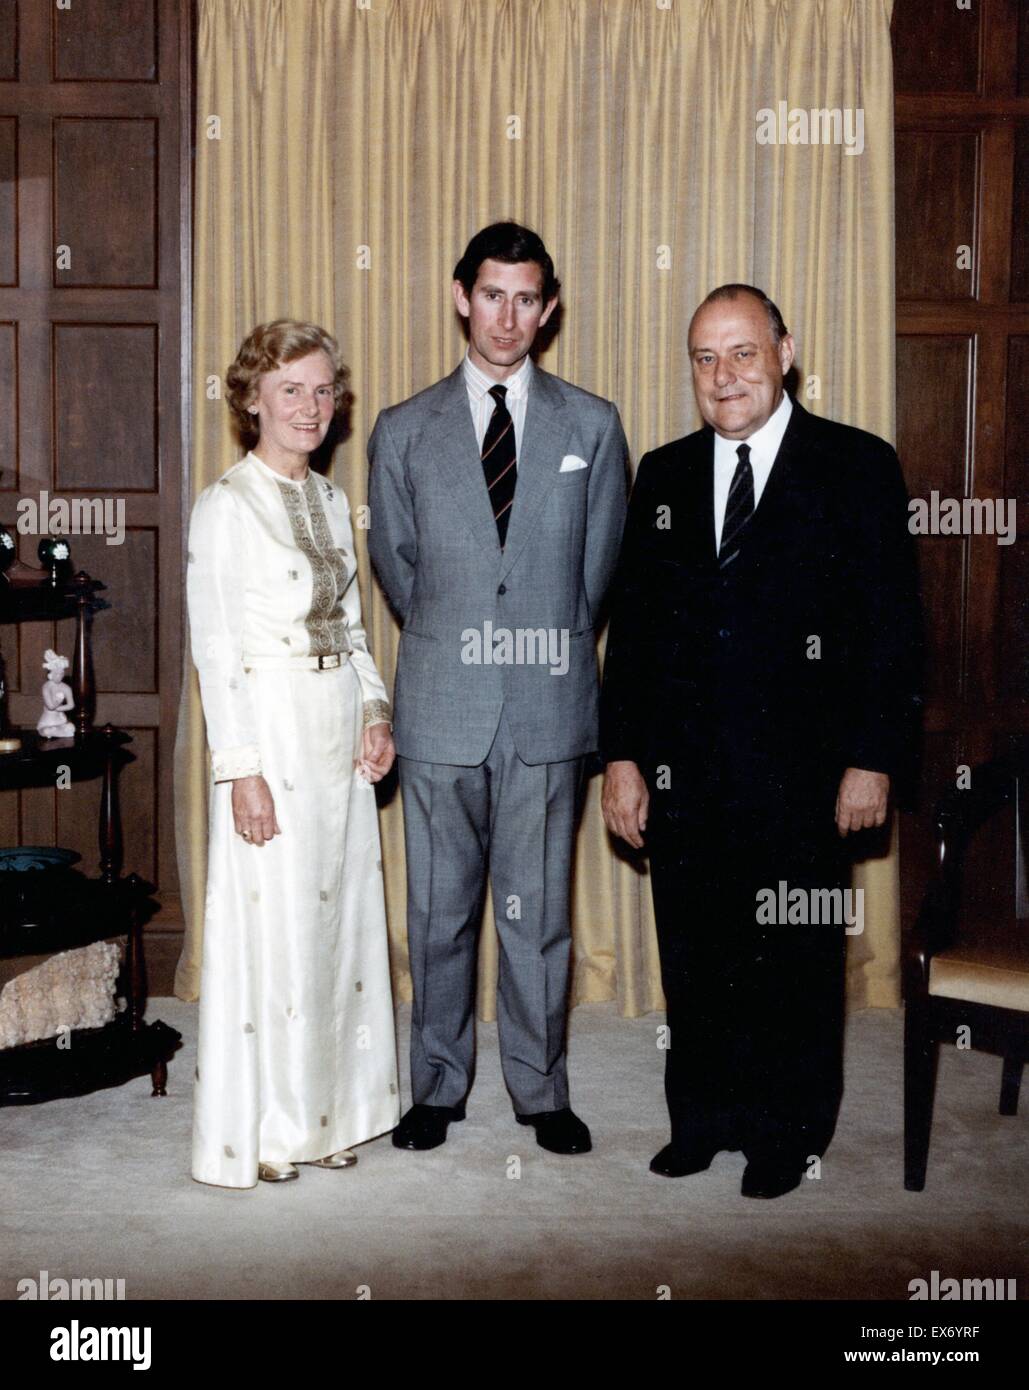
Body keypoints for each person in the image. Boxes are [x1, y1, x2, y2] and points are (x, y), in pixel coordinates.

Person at [600, 284, 921, 1198]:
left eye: (741, 352)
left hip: (807, 775)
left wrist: (873, 759)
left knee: (792, 960)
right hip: (685, 773)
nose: (722, 375)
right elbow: (636, 632)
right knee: (696, 952)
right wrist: (621, 759)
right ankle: (701, 1119)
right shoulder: (662, 473)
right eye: (704, 358)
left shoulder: (855, 465)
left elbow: (893, 628)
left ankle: (786, 1134)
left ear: (784, 351)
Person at [368, 223, 628, 1154]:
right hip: (440, 709)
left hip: (547, 711)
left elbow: (598, 575)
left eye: (526, 299)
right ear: (459, 297)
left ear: (547, 308)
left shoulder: (591, 426)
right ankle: (434, 1087)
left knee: (539, 919)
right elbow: (398, 569)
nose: (507, 317)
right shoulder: (402, 429)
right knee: (436, 918)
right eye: (491, 295)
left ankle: (541, 1090)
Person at [188, 320, 399, 1188]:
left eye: (321, 391)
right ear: (251, 400)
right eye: (290, 391)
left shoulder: (325, 501)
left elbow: (348, 627)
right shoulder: (226, 504)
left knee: (333, 927)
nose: (310, 408)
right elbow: (213, 648)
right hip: (268, 728)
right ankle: (268, 1131)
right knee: (272, 927)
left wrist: (375, 710)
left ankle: (327, 1116)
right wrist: (240, 769)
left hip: (333, 730)